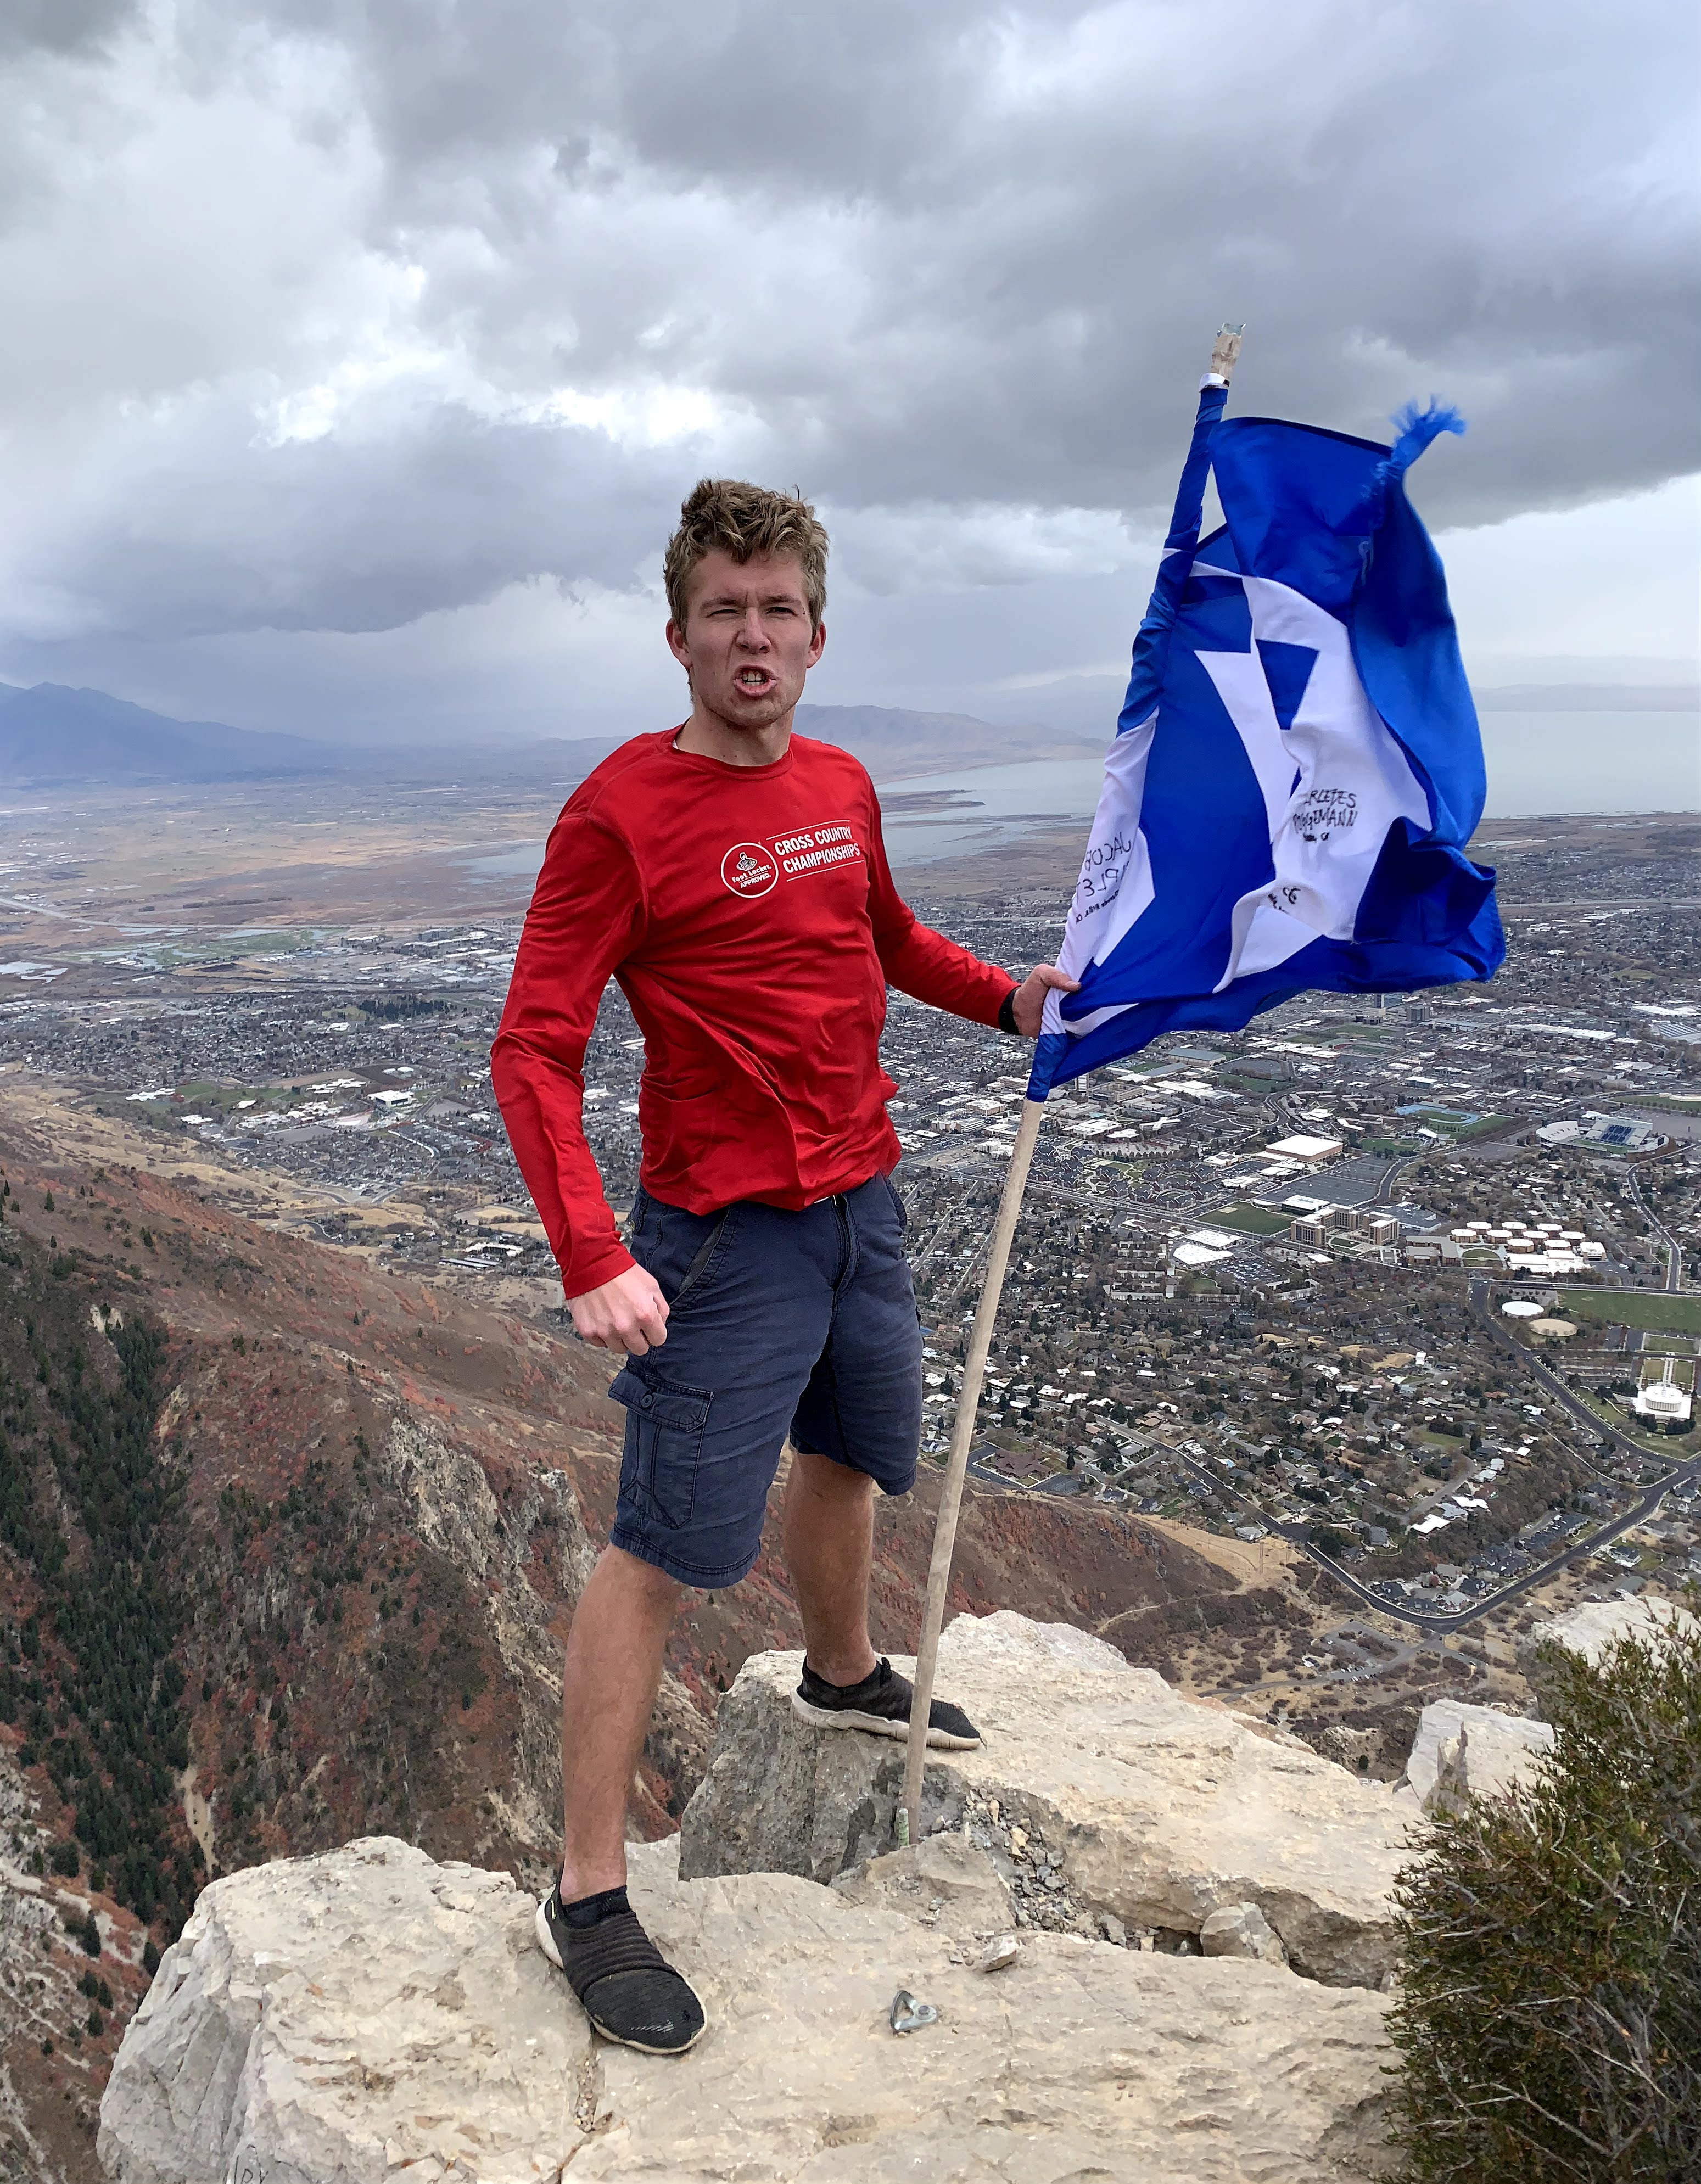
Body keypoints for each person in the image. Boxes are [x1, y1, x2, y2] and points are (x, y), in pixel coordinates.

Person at [491, 477, 1077, 2054]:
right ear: (676, 631)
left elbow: (882, 935)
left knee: (854, 1448)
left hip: (856, 1200)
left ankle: (836, 1670)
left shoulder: (840, 778)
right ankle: (588, 1887)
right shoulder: (621, 809)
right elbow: (533, 1045)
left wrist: (1008, 1002)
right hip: (720, 1234)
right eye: (724, 610)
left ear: (818, 630)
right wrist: (591, 1251)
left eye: (779, 608)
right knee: (665, 1548)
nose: (753, 635)